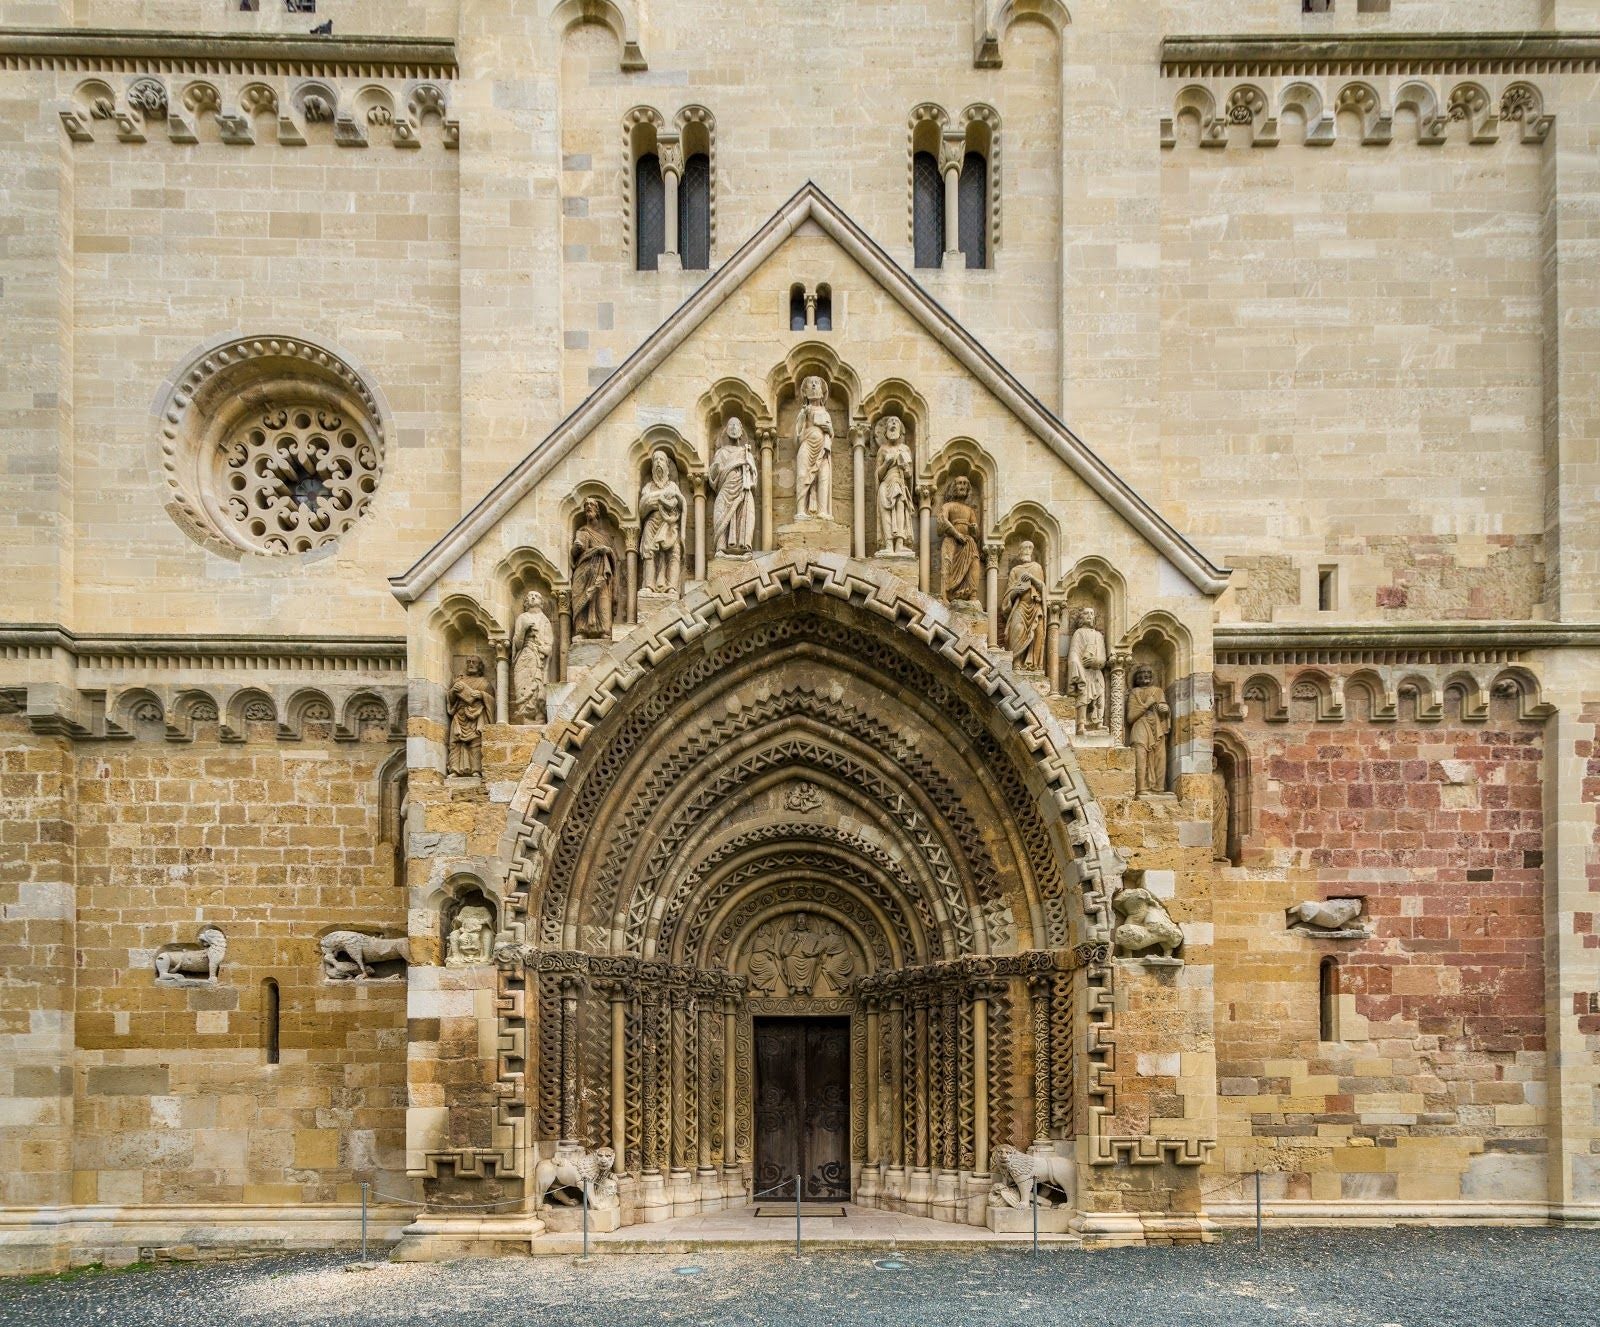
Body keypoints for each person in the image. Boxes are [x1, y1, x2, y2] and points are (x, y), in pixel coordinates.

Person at [638, 448, 685, 595]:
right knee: (649, 552)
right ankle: (649, 585)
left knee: (674, 552)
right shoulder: (648, 487)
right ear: (652, 466)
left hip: (670, 524)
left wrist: (663, 498)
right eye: (656, 460)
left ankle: (671, 586)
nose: (658, 462)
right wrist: (661, 498)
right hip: (652, 523)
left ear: (667, 466)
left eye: (662, 460)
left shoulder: (673, 486)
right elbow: (642, 508)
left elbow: (680, 503)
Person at [709, 417, 757, 555]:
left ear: (742, 431)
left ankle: (744, 547)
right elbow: (713, 477)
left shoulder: (746, 453)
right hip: (726, 489)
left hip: (743, 489)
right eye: (731, 425)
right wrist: (715, 470)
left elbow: (754, 478)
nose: (734, 428)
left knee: (746, 514)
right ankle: (721, 547)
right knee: (722, 513)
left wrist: (749, 469)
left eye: (737, 425)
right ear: (726, 431)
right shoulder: (721, 452)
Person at [570, 497, 617, 637]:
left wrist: (607, 550)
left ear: (597, 510)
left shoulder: (606, 536)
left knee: (602, 597)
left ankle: (604, 629)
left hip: (602, 571)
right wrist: (576, 548)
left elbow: (614, 555)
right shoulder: (582, 532)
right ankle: (581, 630)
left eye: (591, 505)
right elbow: (574, 553)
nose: (588, 507)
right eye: (586, 505)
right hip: (584, 571)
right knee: (581, 597)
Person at [793, 375, 834, 520]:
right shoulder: (804, 411)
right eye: (811, 384)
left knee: (823, 477)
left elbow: (831, 434)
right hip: (807, 445)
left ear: (823, 392)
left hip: (823, 448)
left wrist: (828, 429)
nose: (814, 386)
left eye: (817, 383)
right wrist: (803, 417)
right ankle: (800, 511)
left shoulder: (825, 412)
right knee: (802, 475)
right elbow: (797, 436)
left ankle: (823, 511)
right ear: (805, 392)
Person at [1002, 540, 1046, 672]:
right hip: (1020, 607)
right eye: (1024, 548)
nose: (1027, 550)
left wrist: (1032, 578)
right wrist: (1017, 591)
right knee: (1017, 630)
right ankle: (1017, 662)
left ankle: (1032, 665)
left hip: (1035, 606)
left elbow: (1042, 587)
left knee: (1038, 633)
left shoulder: (1037, 567)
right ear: (1020, 552)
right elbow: (1007, 595)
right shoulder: (1015, 571)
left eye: (1029, 548)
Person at [510, 590, 553, 723]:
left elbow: (549, 644)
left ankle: (539, 716)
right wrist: (524, 629)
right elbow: (517, 644)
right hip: (524, 657)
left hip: (537, 658)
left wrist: (542, 648)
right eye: (530, 596)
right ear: (526, 601)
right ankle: (525, 718)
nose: (533, 597)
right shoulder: (522, 618)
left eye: (536, 596)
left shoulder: (544, 620)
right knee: (523, 686)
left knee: (537, 688)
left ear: (541, 602)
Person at [446, 656, 493, 776]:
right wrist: (452, 692)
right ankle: (454, 770)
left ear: (480, 666)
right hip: (459, 715)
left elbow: (493, 702)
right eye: (468, 662)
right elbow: (451, 700)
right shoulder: (459, 681)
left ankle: (476, 770)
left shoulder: (485, 683)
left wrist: (482, 695)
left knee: (476, 743)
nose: (471, 664)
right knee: (455, 743)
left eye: (474, 662)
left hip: (476, 716)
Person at [937, 475, 982, 602]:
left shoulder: (970, 510)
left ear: (968, 488)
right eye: (959, 483)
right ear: (954, 487)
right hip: (951, 540)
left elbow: (977, 536)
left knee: (974, 563)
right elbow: (942, 522)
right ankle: (945, 596)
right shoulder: (948, 506)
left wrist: (974, 529)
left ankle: (972, 595)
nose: (962, 486)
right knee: (947, 564)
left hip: (968, 543)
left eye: (964, 484)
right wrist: (956, 534)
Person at [875, 416, 915, 555]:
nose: (893, 423)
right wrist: (886, 463)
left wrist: (905, 468)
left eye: (896, 422)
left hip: (899, 483)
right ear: (885, 431)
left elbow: (910, 475)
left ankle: (899, 545)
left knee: (900, 511)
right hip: (885, 485)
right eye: (890, 422)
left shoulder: (905, 449)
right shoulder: (882, 449)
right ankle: (888, 545)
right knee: (885, 513)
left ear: (900, 431)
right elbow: (878, 475)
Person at [1128, 665, 1171, 795]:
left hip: (1157, 727)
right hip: (1140, 726)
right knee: (1140, 754)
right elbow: (1130, 717)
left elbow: (1163, 706)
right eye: (1141, 674)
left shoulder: (1158, 691)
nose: (1144, 676)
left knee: (1160, 756)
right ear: (1136, 678)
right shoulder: (1134, 693)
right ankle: (1141, 788)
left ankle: (1159, 788)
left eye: (1147, 673)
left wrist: (1166, 710)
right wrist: (1147, 704)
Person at [1066, 607, 1108, 730]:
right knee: (1083, 697)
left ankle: (1099, 722)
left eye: (1091, 613)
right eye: (1086, 613)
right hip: (1083, 670)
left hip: (1096, 671)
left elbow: (1103, 657)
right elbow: (1074, 652)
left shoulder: (1098, 635)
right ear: (1081, 618)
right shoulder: (1078, 633)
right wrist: (1076, 665)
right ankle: (1081, 724)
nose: (1089, 616)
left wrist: (1096, 662)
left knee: (1100, 697)